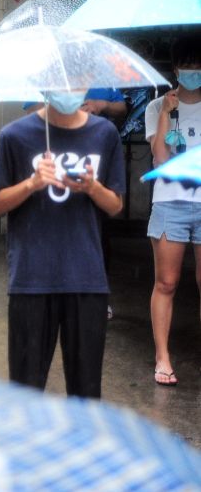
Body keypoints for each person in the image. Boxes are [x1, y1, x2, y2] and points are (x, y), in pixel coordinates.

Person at [0, 89, 126, 398]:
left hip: (86, 278)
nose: (69, 89)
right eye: (62, 82)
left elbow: (115, 205)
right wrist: (32, 183)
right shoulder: (15, 135)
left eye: (78, 83)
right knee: (26, 390)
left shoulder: (105, 133)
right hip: (31, 278)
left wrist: (91, 187)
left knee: (86, 393)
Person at [145, 35, 201, 387]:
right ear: (176, 68)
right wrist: (167, 113)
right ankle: (162, 357)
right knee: (167, 282)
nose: (193, 72)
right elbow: (161, 159)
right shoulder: (157, 107)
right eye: (187, 65)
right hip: (170, 202)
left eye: (199, 66)